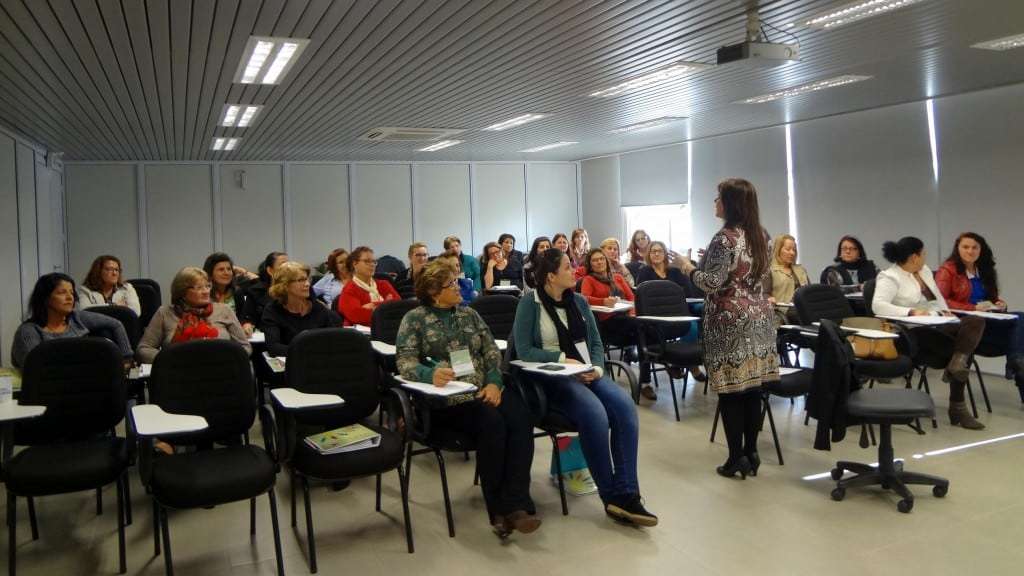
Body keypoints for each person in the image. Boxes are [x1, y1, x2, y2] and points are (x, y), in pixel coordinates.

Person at [513, 248, 656, 527]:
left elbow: (595, 344)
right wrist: (557, 358)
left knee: (625, 408)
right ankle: (611, 497)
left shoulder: (578, 301)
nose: (574, 271)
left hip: (587, 371)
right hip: (553, 378)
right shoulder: (530, 304)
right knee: (595, 414)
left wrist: (598, 368)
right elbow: (524, 350)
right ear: (551, 276)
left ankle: (628, 491)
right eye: (568, 267)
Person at [396, 259, 538, 537]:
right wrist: (429, 374)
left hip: (484, 390)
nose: (459, 287)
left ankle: (518, 502)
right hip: (447, 402)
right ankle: (498, 509)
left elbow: (491, 351)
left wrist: (495, 382)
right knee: (493, 422)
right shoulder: (414, 319)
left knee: (521, 417)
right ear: (435, 291)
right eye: (452, 283)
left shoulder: (469, 315)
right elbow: (405, 362)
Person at [678, 178, 779, 479]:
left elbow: (712, 283)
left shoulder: (724, 238)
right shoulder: (762, 235)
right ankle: (752, 452)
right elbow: (747, 274)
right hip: (759, 320)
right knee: (751, 390)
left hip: (729, 322)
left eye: (718, 197)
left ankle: (735, 458)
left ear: (730, 203)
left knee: (731, 392)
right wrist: (708, 264)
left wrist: (687, 267)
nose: (715, 203)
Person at [872, 236, 986, 429]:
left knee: (975, 322)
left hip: (936, 322)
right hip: (911, 331)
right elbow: (878, 306)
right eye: (923, 253)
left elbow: (936, 298)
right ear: (914, 256)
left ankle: (957, 364)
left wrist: (944, 310)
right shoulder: (890, 276)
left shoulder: (924, 271)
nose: (925, 257)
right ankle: (957, 407)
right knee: (964, 349)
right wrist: (910, 311)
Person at [935, 232, 1024, 400]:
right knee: (1019, 339)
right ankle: (1015, 362)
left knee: (1021, 318)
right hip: (966, 324)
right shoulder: (948, 269)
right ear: (958, 249)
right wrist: (973, 307)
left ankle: (1016, 360)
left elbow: (991, 298)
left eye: (975, 247)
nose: (970, 251)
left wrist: (999, 303)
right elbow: (941, 301)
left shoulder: (984, 270)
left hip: (988, 319)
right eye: (965, 247)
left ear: (981, 250)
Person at [12, 273, 133, 368]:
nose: (70, 297)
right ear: (45, 298)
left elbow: (116, 324)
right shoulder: (28, 332)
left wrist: (126, 359)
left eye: (71, 292)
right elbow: (35, 369)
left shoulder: (77, 318)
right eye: (62, 292)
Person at [136, 267, 251, 363]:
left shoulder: (224, 310)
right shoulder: (165, 313)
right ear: (182, 291)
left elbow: (245, 347)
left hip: (219, 372)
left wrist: (225, 358)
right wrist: (171, 360)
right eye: (199, 288)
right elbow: (144, 349)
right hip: (178, 375)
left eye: (207, 286)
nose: (206, 291)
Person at [634, 240, 706, 392]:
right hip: (656, 318)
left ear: (665, 254)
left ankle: (684, 363)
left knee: (692, 324)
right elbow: (641, 298)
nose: (657, 253)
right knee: (643, 334)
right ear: (649, 254)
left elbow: (687, 292)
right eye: (653, 251)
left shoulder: (674, 271)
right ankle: (646, 383)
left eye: (660, 250)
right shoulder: (645, 271)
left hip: (678, 313)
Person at [261, 261, 343, 357]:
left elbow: (335, 339)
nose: (307, 284)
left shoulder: (317, 307)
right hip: (292, 364)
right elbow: (273, 347)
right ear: (285, 285)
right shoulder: (272, 310)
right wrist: (306, 352)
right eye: (301, 280)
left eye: (307, 279)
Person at [337, 246, 400, 327]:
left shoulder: (384, 284)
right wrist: (386, 303)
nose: (372, 265)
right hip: (363, 335)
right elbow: (357, 316)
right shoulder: (349, 289)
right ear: (354, 264)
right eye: (367, 261)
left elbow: (398, 307)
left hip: (389, 328)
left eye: (374, 261)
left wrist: (372, 306)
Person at [240, 251, 288, 334]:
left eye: (289, 265)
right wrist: (247, 325)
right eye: (282, 265)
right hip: (264, 335)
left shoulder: (295, 290)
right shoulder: (256, 291)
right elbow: (248, 318)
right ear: (270, 270)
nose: (287, 269)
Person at [766, 234, 810, 325]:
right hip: (783, 312)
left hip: (804, 309)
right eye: (788, 249)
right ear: (778, 250)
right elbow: (763, 294)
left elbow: (810, 292)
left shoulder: (801, 270)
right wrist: (768, 298)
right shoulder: (769, 270)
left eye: (794, 250)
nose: (792, 253)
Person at [76, 255, 141, 315]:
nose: (114, 273)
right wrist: (114, 306)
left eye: (116, 270)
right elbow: (83, 310)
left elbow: (136, 312)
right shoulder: (85, 290)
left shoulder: (127, 288)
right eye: (109, 269)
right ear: (98, 271)